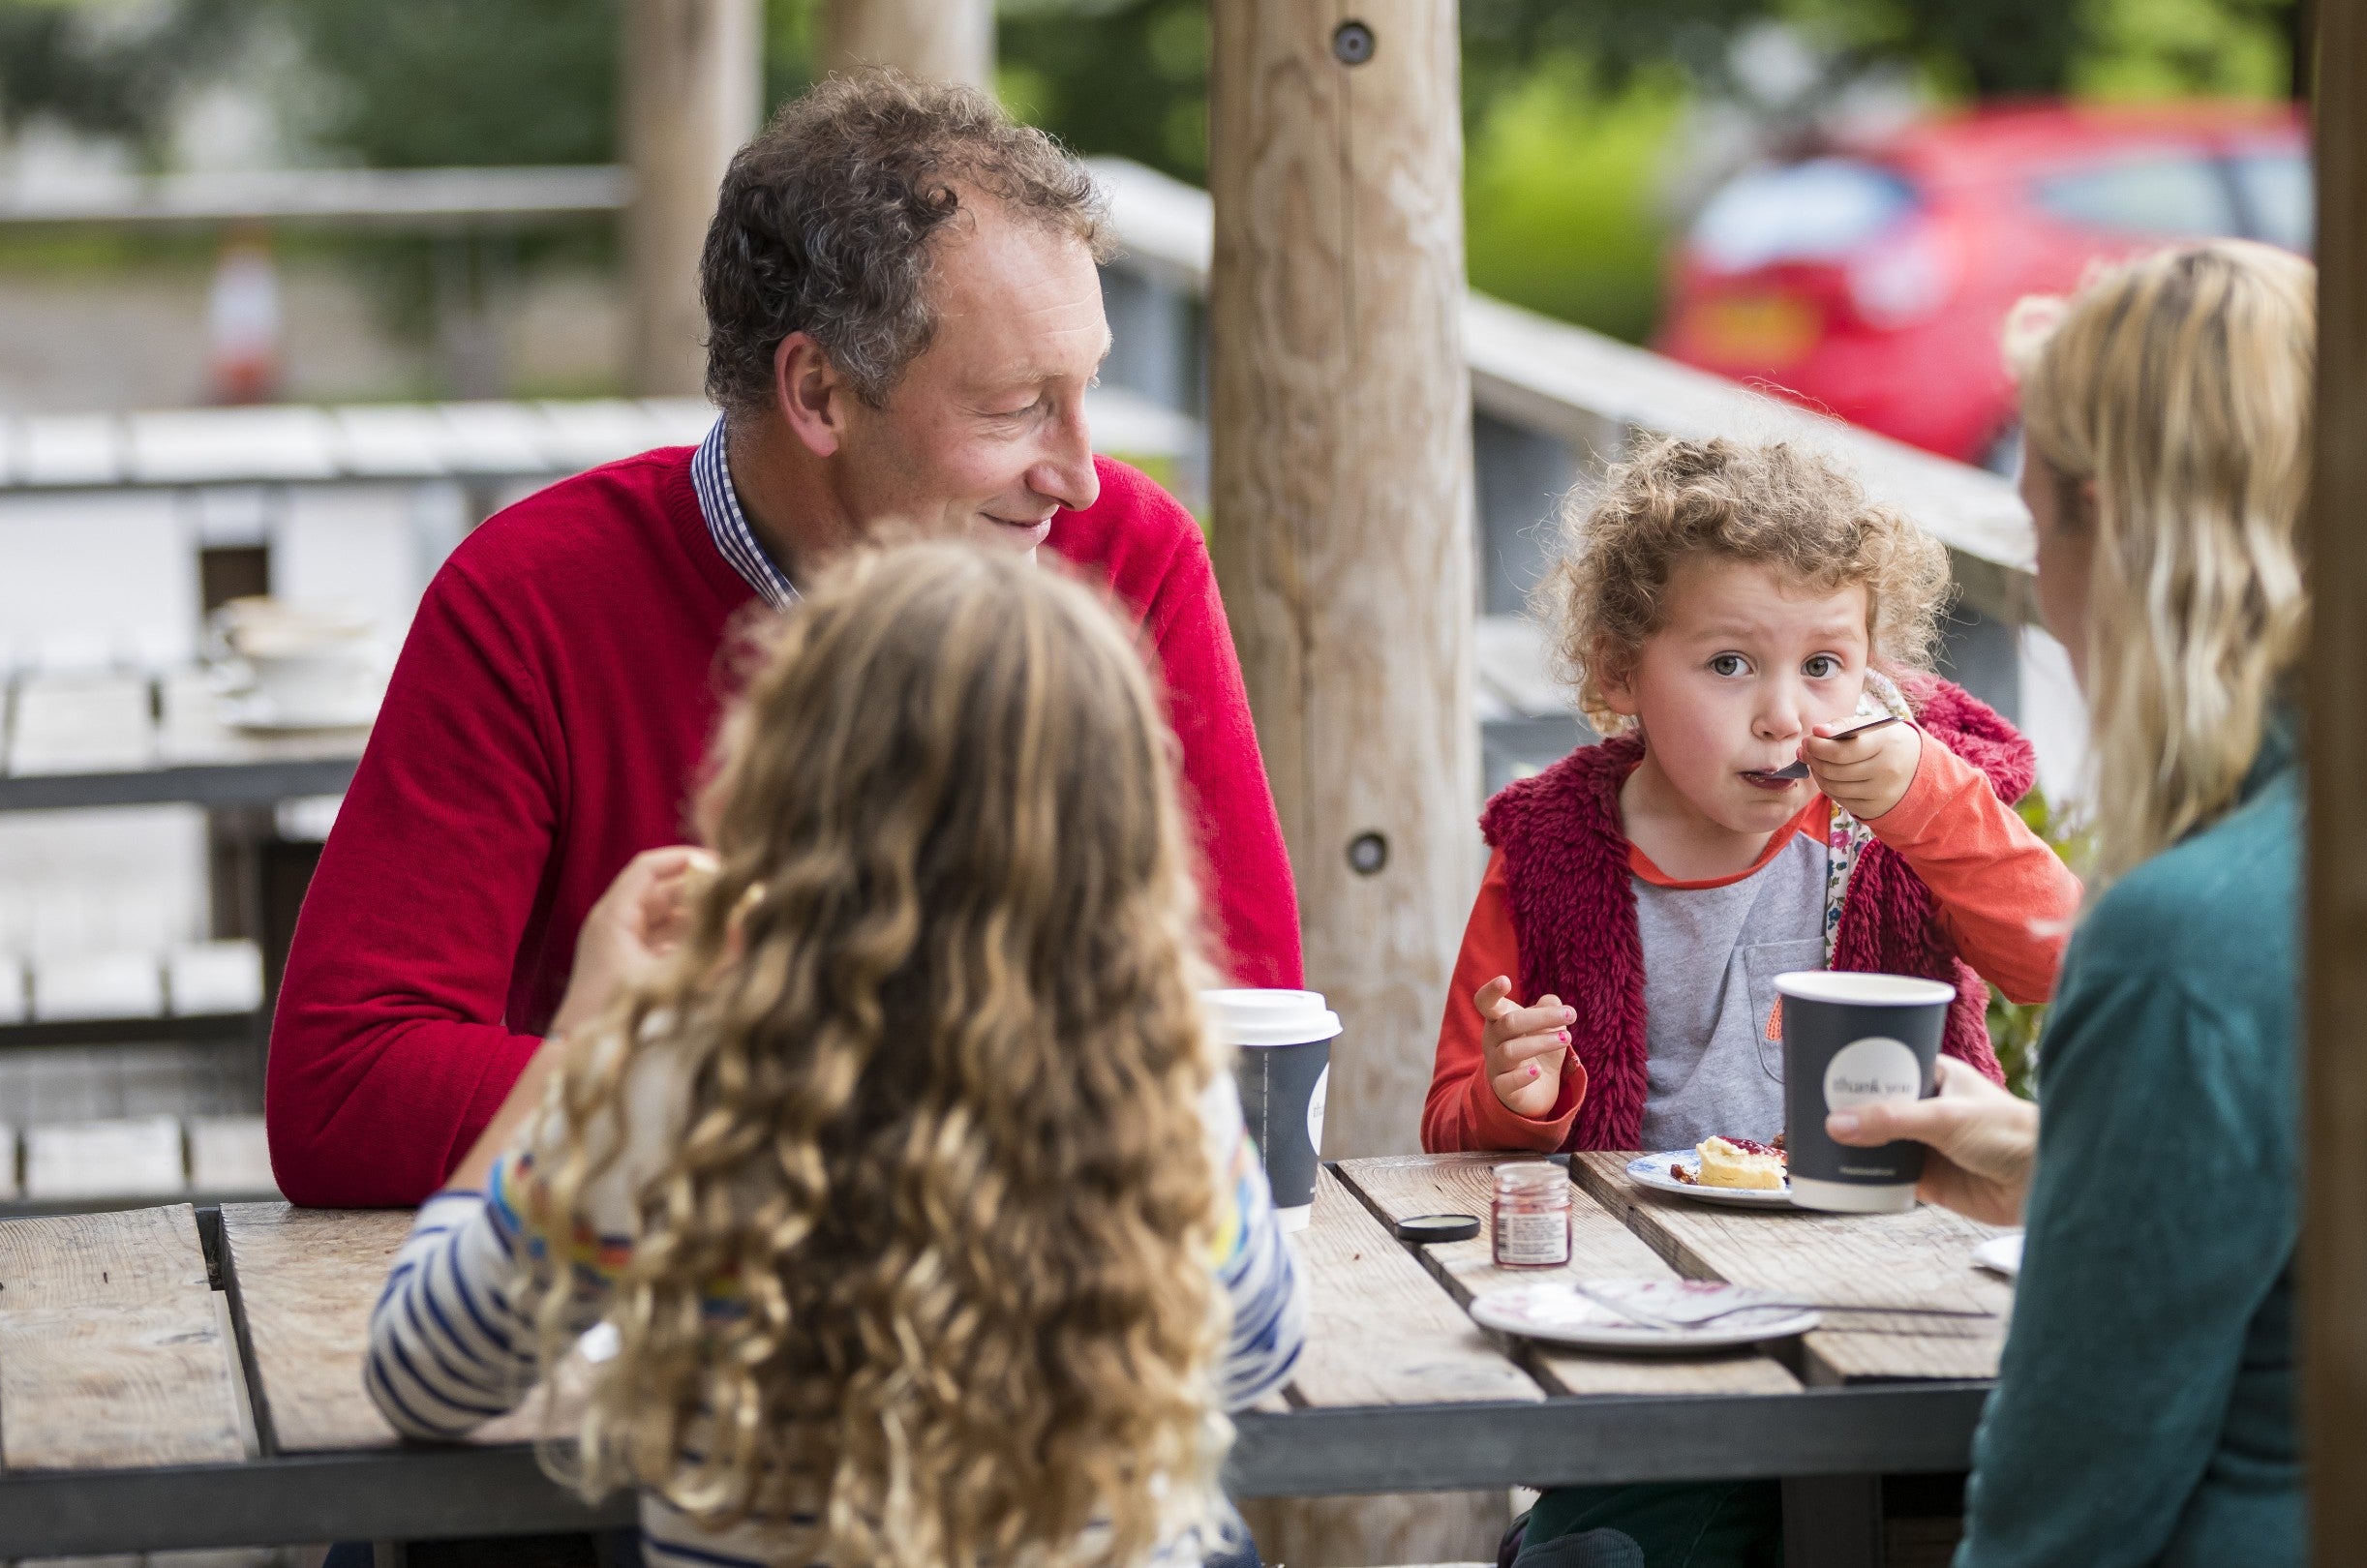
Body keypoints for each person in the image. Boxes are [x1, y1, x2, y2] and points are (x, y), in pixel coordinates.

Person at [266, 75, 1303, 1207]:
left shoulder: (1129, 559)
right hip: (649, 1320)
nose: (1082, 475)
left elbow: (1245, 1030)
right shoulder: (530, 599)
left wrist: (672, 1097)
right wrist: (843, 1121)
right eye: (1016, 407)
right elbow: (341, 1088)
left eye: (1088, 387)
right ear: (817, 390)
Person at [360, 544, 1306, 1568]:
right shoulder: (1160, 1085)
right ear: (1125, 836)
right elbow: (1262, 1352)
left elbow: (424, 1373)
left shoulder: (681, 1081)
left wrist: (585, 1042)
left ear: (785, 780)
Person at [1829, 240, 2312, 1565]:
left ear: (2104, 525)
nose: (2045, 590)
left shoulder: (2181, 944)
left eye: (2038, 527)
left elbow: (2065, 1511)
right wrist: (2070, 1162)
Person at [1421, 436, 2078, 1161]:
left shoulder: (1896, 830)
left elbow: (2059, 963)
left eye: (1823, 665)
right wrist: (1511, 1100)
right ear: (1620, 669)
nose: (1784, 716)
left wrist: (1932, 801)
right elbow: (1448, 1122)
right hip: (1635, 1256)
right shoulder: (1548, 849)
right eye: (1729, 664)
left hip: (1881, 1234)